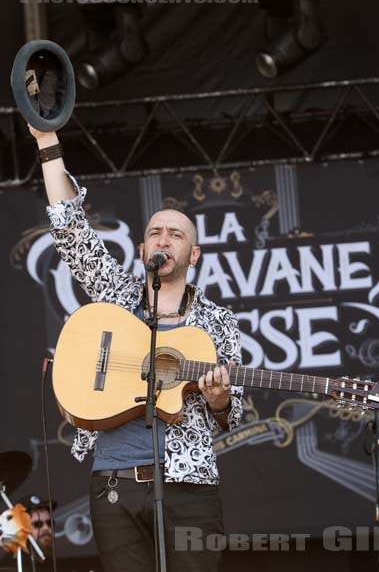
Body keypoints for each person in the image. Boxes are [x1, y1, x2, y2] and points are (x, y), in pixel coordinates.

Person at [29, 126, 243, 572]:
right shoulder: (115, 296)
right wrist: (47, 144)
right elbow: (72, 233)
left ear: (194, 254)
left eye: (176, 235)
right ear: (142, 248)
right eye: (156, 233)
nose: (164, 239)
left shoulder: (218, 322)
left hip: (189, 487)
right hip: (113, 484)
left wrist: (220, 400)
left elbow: (230, 414)